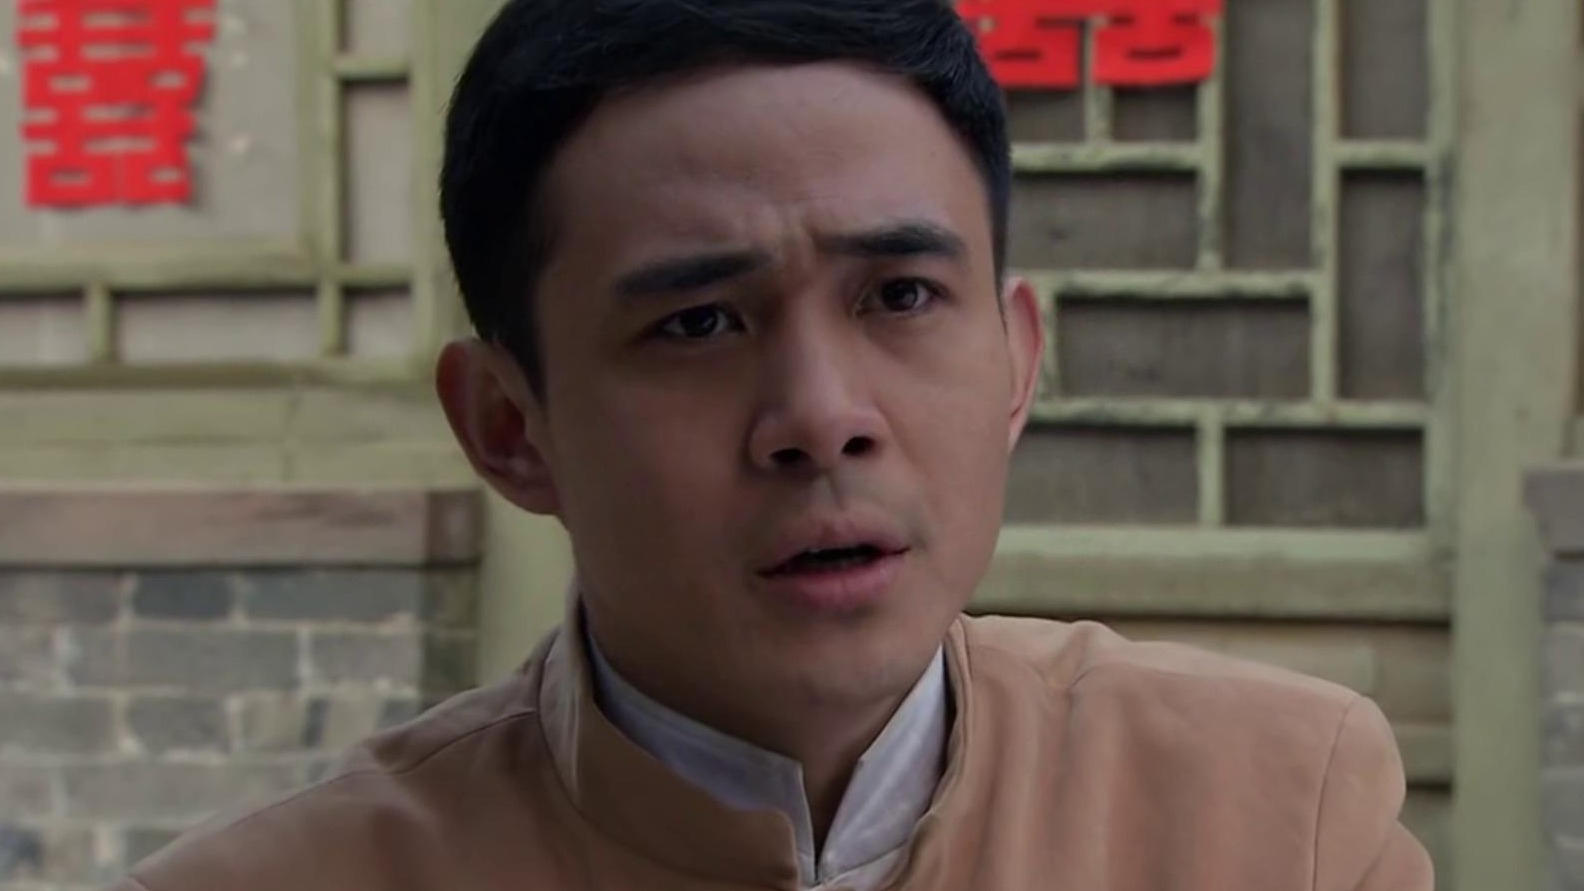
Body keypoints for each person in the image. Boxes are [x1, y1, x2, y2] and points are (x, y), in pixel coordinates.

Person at [115, 1, 1432, 889]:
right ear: (510, 427)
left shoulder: (1278, 816)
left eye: (900, 296)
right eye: (698, 323)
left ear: (1017, 360)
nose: (820, 415)